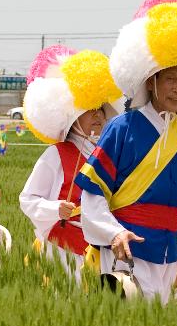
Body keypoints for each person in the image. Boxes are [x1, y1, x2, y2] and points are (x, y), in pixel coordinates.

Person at [74, 0, 177, 302]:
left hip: (172, 251)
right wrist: (114, 233)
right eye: (170, 79)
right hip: (126, 248)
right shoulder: (121, 129)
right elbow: (93, 195)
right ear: (151, 80)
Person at [17, 45, 124, 277]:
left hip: (103, 249)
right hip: (62, 250)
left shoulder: (110, 154)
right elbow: (27, 199)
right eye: (89, 110)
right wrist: (56, 208)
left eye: (101, 109)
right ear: (72, 115)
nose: (98, 115)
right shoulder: (57, 154)